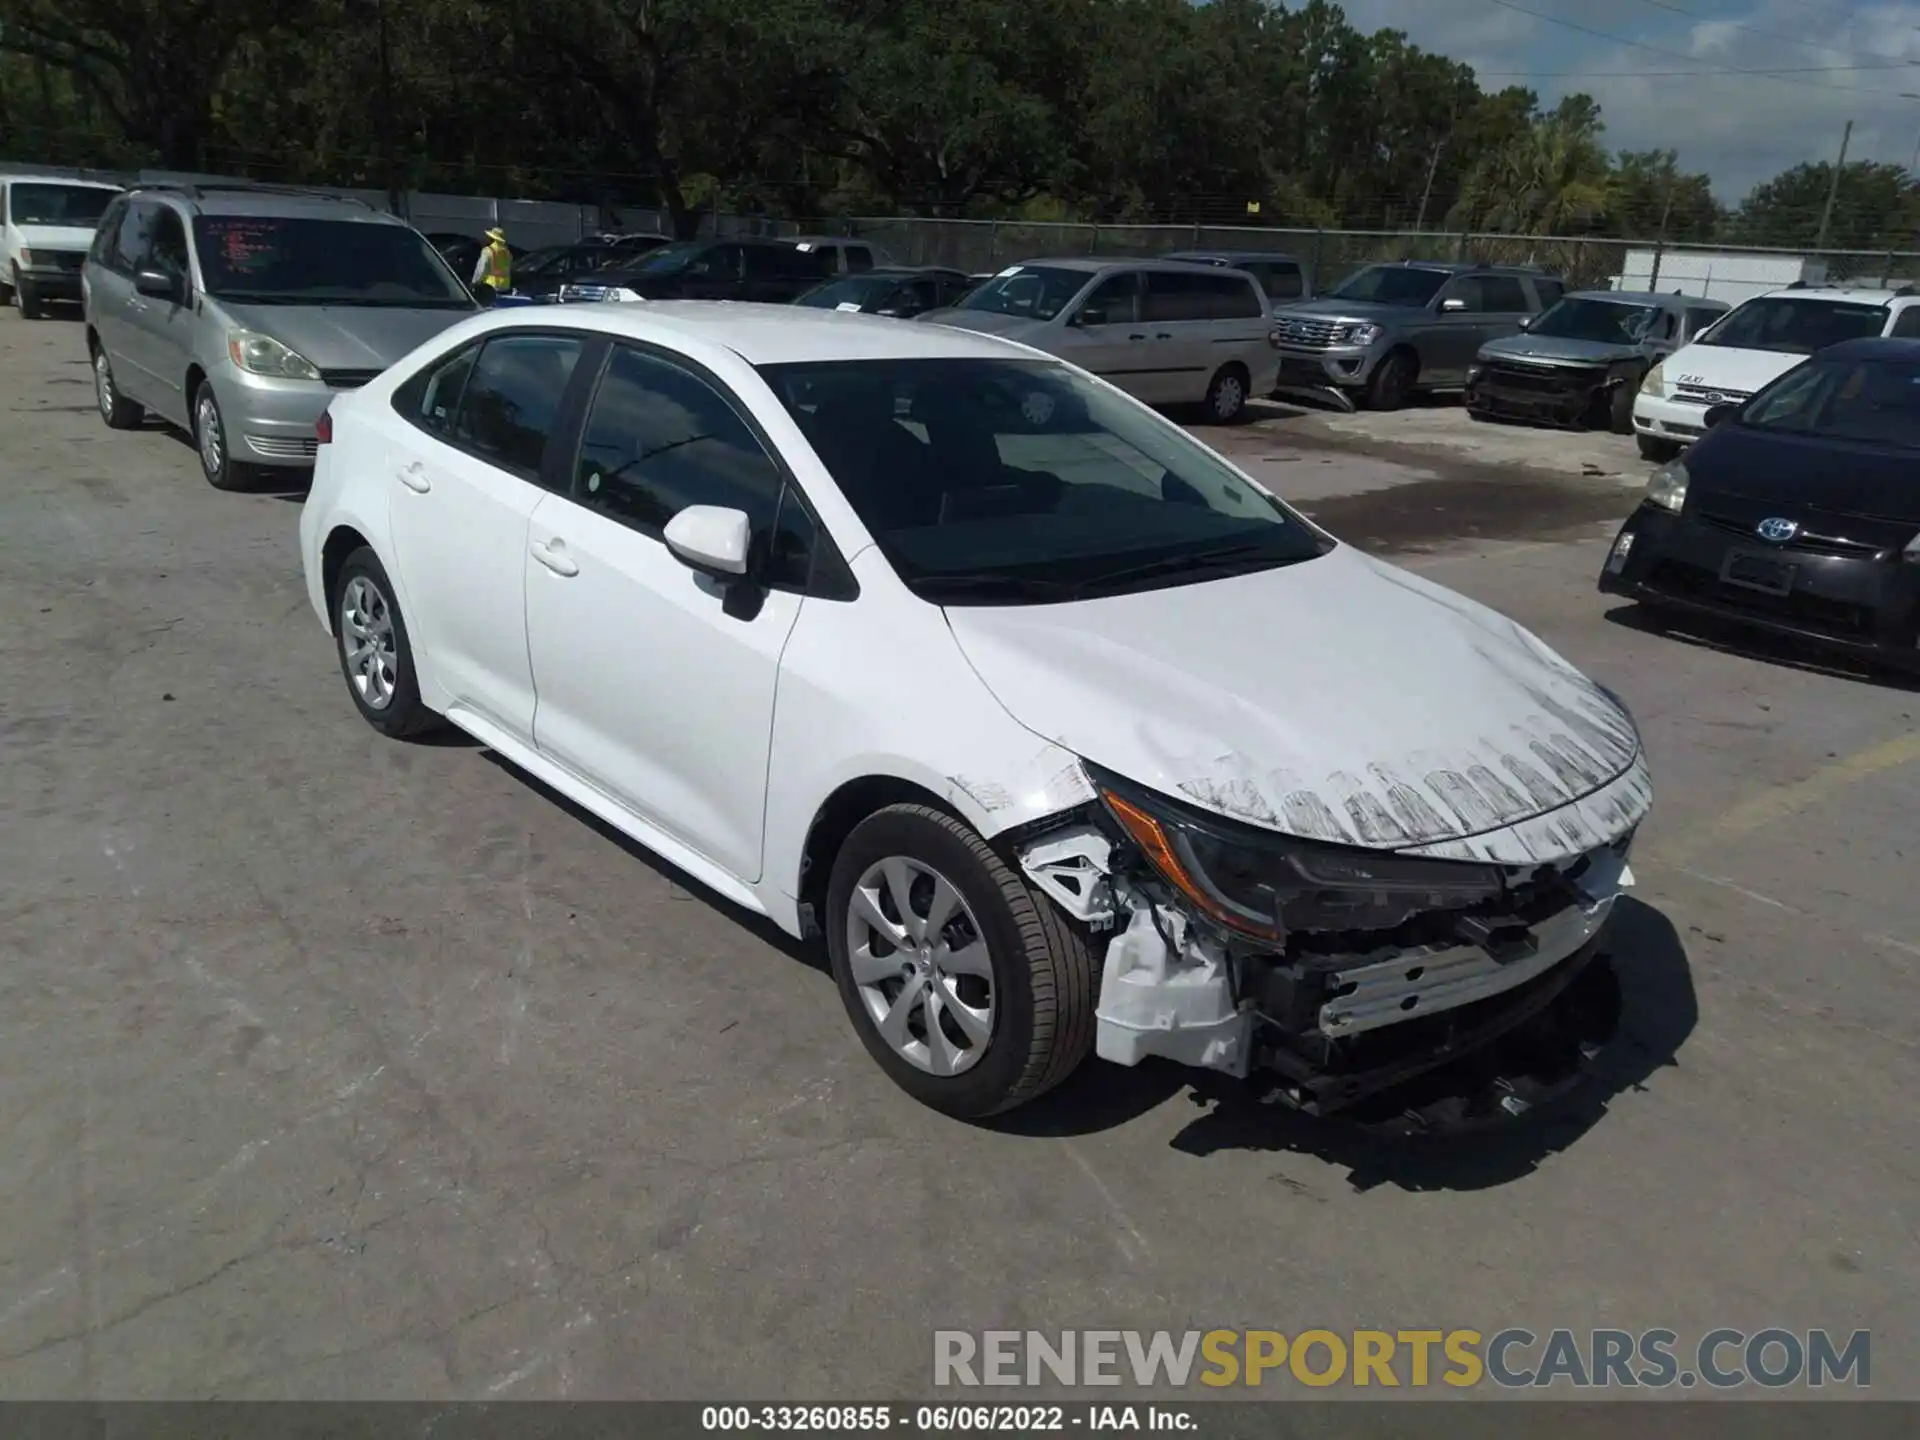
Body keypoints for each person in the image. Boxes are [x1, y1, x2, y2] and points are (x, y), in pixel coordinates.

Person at [471, 227, 512, 292]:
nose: (486, 239)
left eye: (488, 237)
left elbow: (481, 270)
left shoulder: (487, 251)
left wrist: (474, 283)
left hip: (490, 287)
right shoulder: (507, 252)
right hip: (505, 287)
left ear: (492, 239)